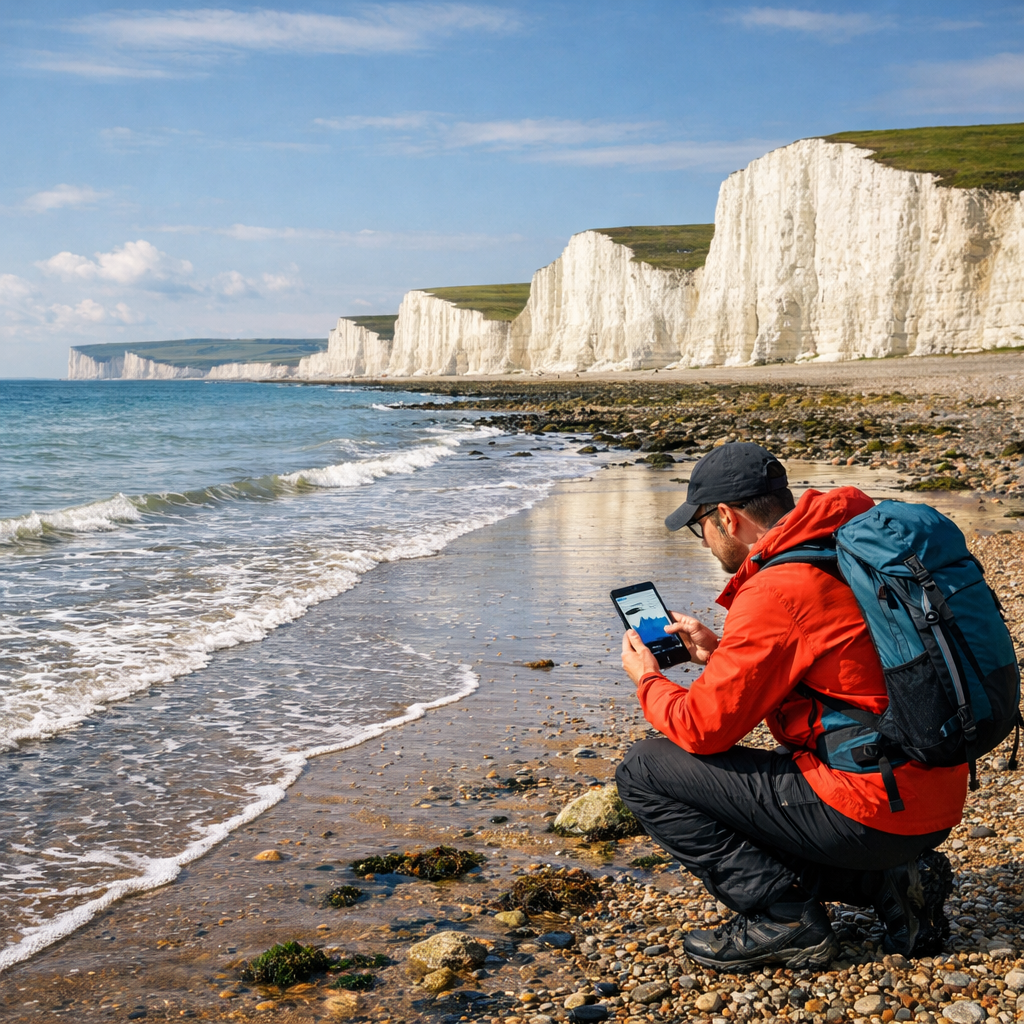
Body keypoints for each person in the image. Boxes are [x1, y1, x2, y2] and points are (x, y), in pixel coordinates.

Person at [614, 443, 963, 970]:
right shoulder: (843, 550)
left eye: (700, 527)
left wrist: (648, 679)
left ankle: (784, 918)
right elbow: (833, 674)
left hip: (875, 810)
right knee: (774, 780)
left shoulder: (778, 589)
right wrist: (718, 654)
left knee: (645, 770)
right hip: (933, 789)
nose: (705, 541)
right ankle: (889, 879)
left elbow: (702, 728)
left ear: (727, 518)